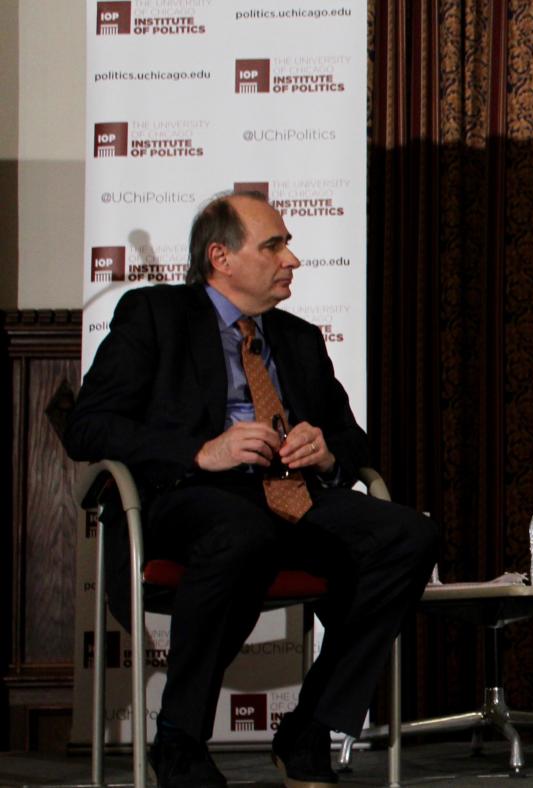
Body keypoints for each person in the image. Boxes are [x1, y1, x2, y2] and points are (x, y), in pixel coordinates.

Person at [66, 191, 440, 788]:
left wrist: (328, 452)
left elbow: (353, 442)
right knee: (241, 530)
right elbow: (89, 425)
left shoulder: (297, 338)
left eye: (287, 243)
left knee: (409, 534)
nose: (291, 258)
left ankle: (310, 726)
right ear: (221, 257)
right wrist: (200, 450)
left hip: (289, 499)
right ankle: (180, 740)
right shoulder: (155, 315)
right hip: (184, 500)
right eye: (274, 245)